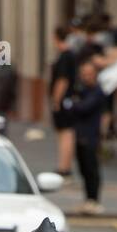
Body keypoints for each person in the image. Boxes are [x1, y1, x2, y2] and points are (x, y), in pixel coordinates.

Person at [63, 58, 107, 214]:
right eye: (83, 74)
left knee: (91, 169)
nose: (85, 76)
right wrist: (74, 104)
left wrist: (74, 104)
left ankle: (94, 201)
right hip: (79, 134)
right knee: (83, 169)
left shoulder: (97, 92)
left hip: (91, 136)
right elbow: (69, 106)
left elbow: (82, 108)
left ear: (95, 75)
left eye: (89, 74)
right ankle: (87, 200)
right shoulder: (81, 90)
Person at [49, 26, 78, 178]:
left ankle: (64, 167)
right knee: (65, 133)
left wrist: (56, 100)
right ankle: (64, 166)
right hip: (67, 100)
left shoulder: (65, 56)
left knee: (65, 133)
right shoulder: (69, 55)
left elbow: (62, 80)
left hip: (64, 101)